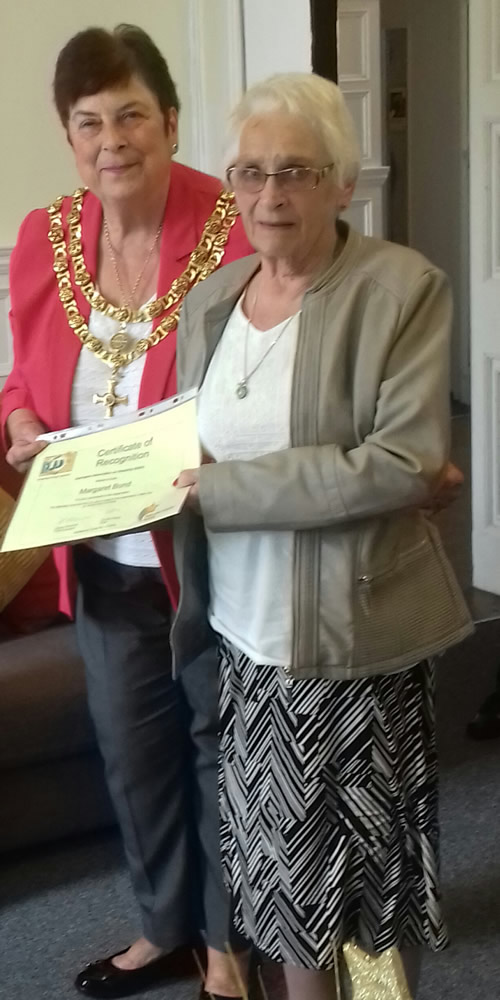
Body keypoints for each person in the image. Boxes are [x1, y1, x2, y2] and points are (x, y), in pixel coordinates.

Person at [172, 73, 474, 1000]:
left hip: (355, 648)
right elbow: (183, 445)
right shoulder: (213, 302)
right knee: (285, 885)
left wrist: (219, 492)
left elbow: (401, 462)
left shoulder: (401, 288)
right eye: (250, 171)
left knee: (371, 893)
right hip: (245, 642)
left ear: (343, 183)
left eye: (296, 171)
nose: (270, 194)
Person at [2, 24, 254, 1000]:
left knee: (216, 749)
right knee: (134, 754)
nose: (113, 139)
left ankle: (229, 950)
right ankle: (163, 928)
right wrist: (21, 416)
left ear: (170, 121)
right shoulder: (43, 237)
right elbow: (25, 377)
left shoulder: (230, 227)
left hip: (210, 553)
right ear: (70, 136)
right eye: (89, 120)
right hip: (103, 557)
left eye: (132, 115)